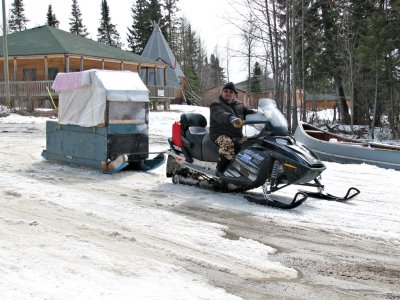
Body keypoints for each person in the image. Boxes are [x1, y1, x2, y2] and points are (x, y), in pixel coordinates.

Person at [209, 82, 256, 175]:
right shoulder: (216, 104)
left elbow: (249, 113)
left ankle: (245, 171)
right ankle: (220, 171)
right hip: (219, 134)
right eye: (226, 91)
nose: (228, 93)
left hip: (237, 135)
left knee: (251, 144)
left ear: (235, 94)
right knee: (227, 144)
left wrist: (264, 116)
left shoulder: (239, 105)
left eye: (231, 92)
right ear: (222, 92)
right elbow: (220, 114)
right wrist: (231, 118)